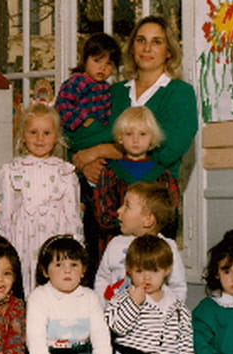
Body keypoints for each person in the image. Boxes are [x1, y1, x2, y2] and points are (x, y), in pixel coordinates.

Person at [71, 16, 198, 184]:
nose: (147, 48)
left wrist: (103, 150)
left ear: (169, 52)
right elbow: (80, 138)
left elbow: (166, 152)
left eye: (156, 42)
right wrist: (87, 166)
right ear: (132, 48)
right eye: (141, 40)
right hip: (108, 195)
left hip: (155, 193)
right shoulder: (113, 92)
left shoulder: (180, 93)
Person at [0, 103, 83, 296]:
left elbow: (73, 215)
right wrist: (4, 249)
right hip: (22, 239)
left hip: (55, 238)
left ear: (57, 136)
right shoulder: (11, 171)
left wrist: (77, 247)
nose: (40, 138)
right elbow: (5, 215)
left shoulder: (65, 172)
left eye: (46, 133)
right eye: (33, 132)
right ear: (23, 136)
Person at [93, 106, 179, 250]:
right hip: (116, 243)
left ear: (152, 138)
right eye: (129, 134)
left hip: (153, 246)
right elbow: (103, 216)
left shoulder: (164, 176)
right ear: (120, 138)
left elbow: (170, 215)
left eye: (142, 134)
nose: (135, 140)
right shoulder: (109, 173)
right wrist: (130, 224)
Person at [94, 181, 185, 305]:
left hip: (153, 315)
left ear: (148, 220)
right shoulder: (115, 244)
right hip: (118, 312)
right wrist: (103, 306)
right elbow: (102, 279)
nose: (119, 210)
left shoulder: (168, 247)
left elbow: (178, 287)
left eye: (127, 206)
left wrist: (170, 312)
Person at [55, 32, 121, 135]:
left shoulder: (107, 88)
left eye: (109, 64)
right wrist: (82, 120)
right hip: (76, 132)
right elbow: (62, 107)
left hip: (99, 132)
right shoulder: (76, 83)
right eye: (97, 61)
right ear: (85, 60)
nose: (102, 67)